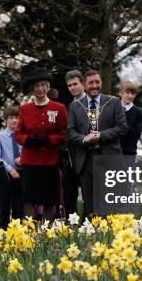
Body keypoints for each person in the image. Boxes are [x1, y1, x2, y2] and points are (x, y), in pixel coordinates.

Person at [68, 70, 127, 218]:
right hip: (86, 158)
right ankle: (92, 236)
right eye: (91, 83)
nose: (95, 86)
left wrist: (101, 135)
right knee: (90, 203)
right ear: (84, 85)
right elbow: (70, 132)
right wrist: (84, 139)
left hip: (109, 157)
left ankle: (110, 235)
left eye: (97, 82)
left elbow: (122, 127)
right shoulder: (75, 106)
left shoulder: (113, 102)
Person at [16, 68, 68, 220]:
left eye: (43, 85)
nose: (40, 89)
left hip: (50, 161)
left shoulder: (59, 108)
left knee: (49, 199)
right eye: (37, 86)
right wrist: (28, 140)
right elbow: (18, 134)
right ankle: (29, 234)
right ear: (32, 89)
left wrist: (49, 140)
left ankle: (47, 233)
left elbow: (64, 134)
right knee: (29, 198)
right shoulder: (24, 109)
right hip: (30, 161)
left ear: (48, 87)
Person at [60, 69, 86, 217]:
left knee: (88, 195)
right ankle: (71, 224)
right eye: (69, 86)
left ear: (82, 84)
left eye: (75, 84)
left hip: (87, 156)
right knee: (70, 195)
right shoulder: (69, 106)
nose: (72, 88)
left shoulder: (91, 104)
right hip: (70, 158)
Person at [0, 106, 23, 229]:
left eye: (17, 118)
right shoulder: (0, 136)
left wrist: (24, 159)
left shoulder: (22, 136)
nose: (14, 121)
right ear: (6, 119)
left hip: (22, 174)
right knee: (4, 206)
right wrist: (10, 170)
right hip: (6, 176)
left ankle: (17, 232)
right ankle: (3, 231)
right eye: (11, 118)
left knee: (19, 206)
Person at [119, 81, 142, 158]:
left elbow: (136, 133)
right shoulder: (114, 108)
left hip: (129, 152)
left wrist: (122, 126)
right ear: (121, 93)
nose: (130, 96)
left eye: (132, 93)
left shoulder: (137, 112)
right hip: (112, 151)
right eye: (127, 93)